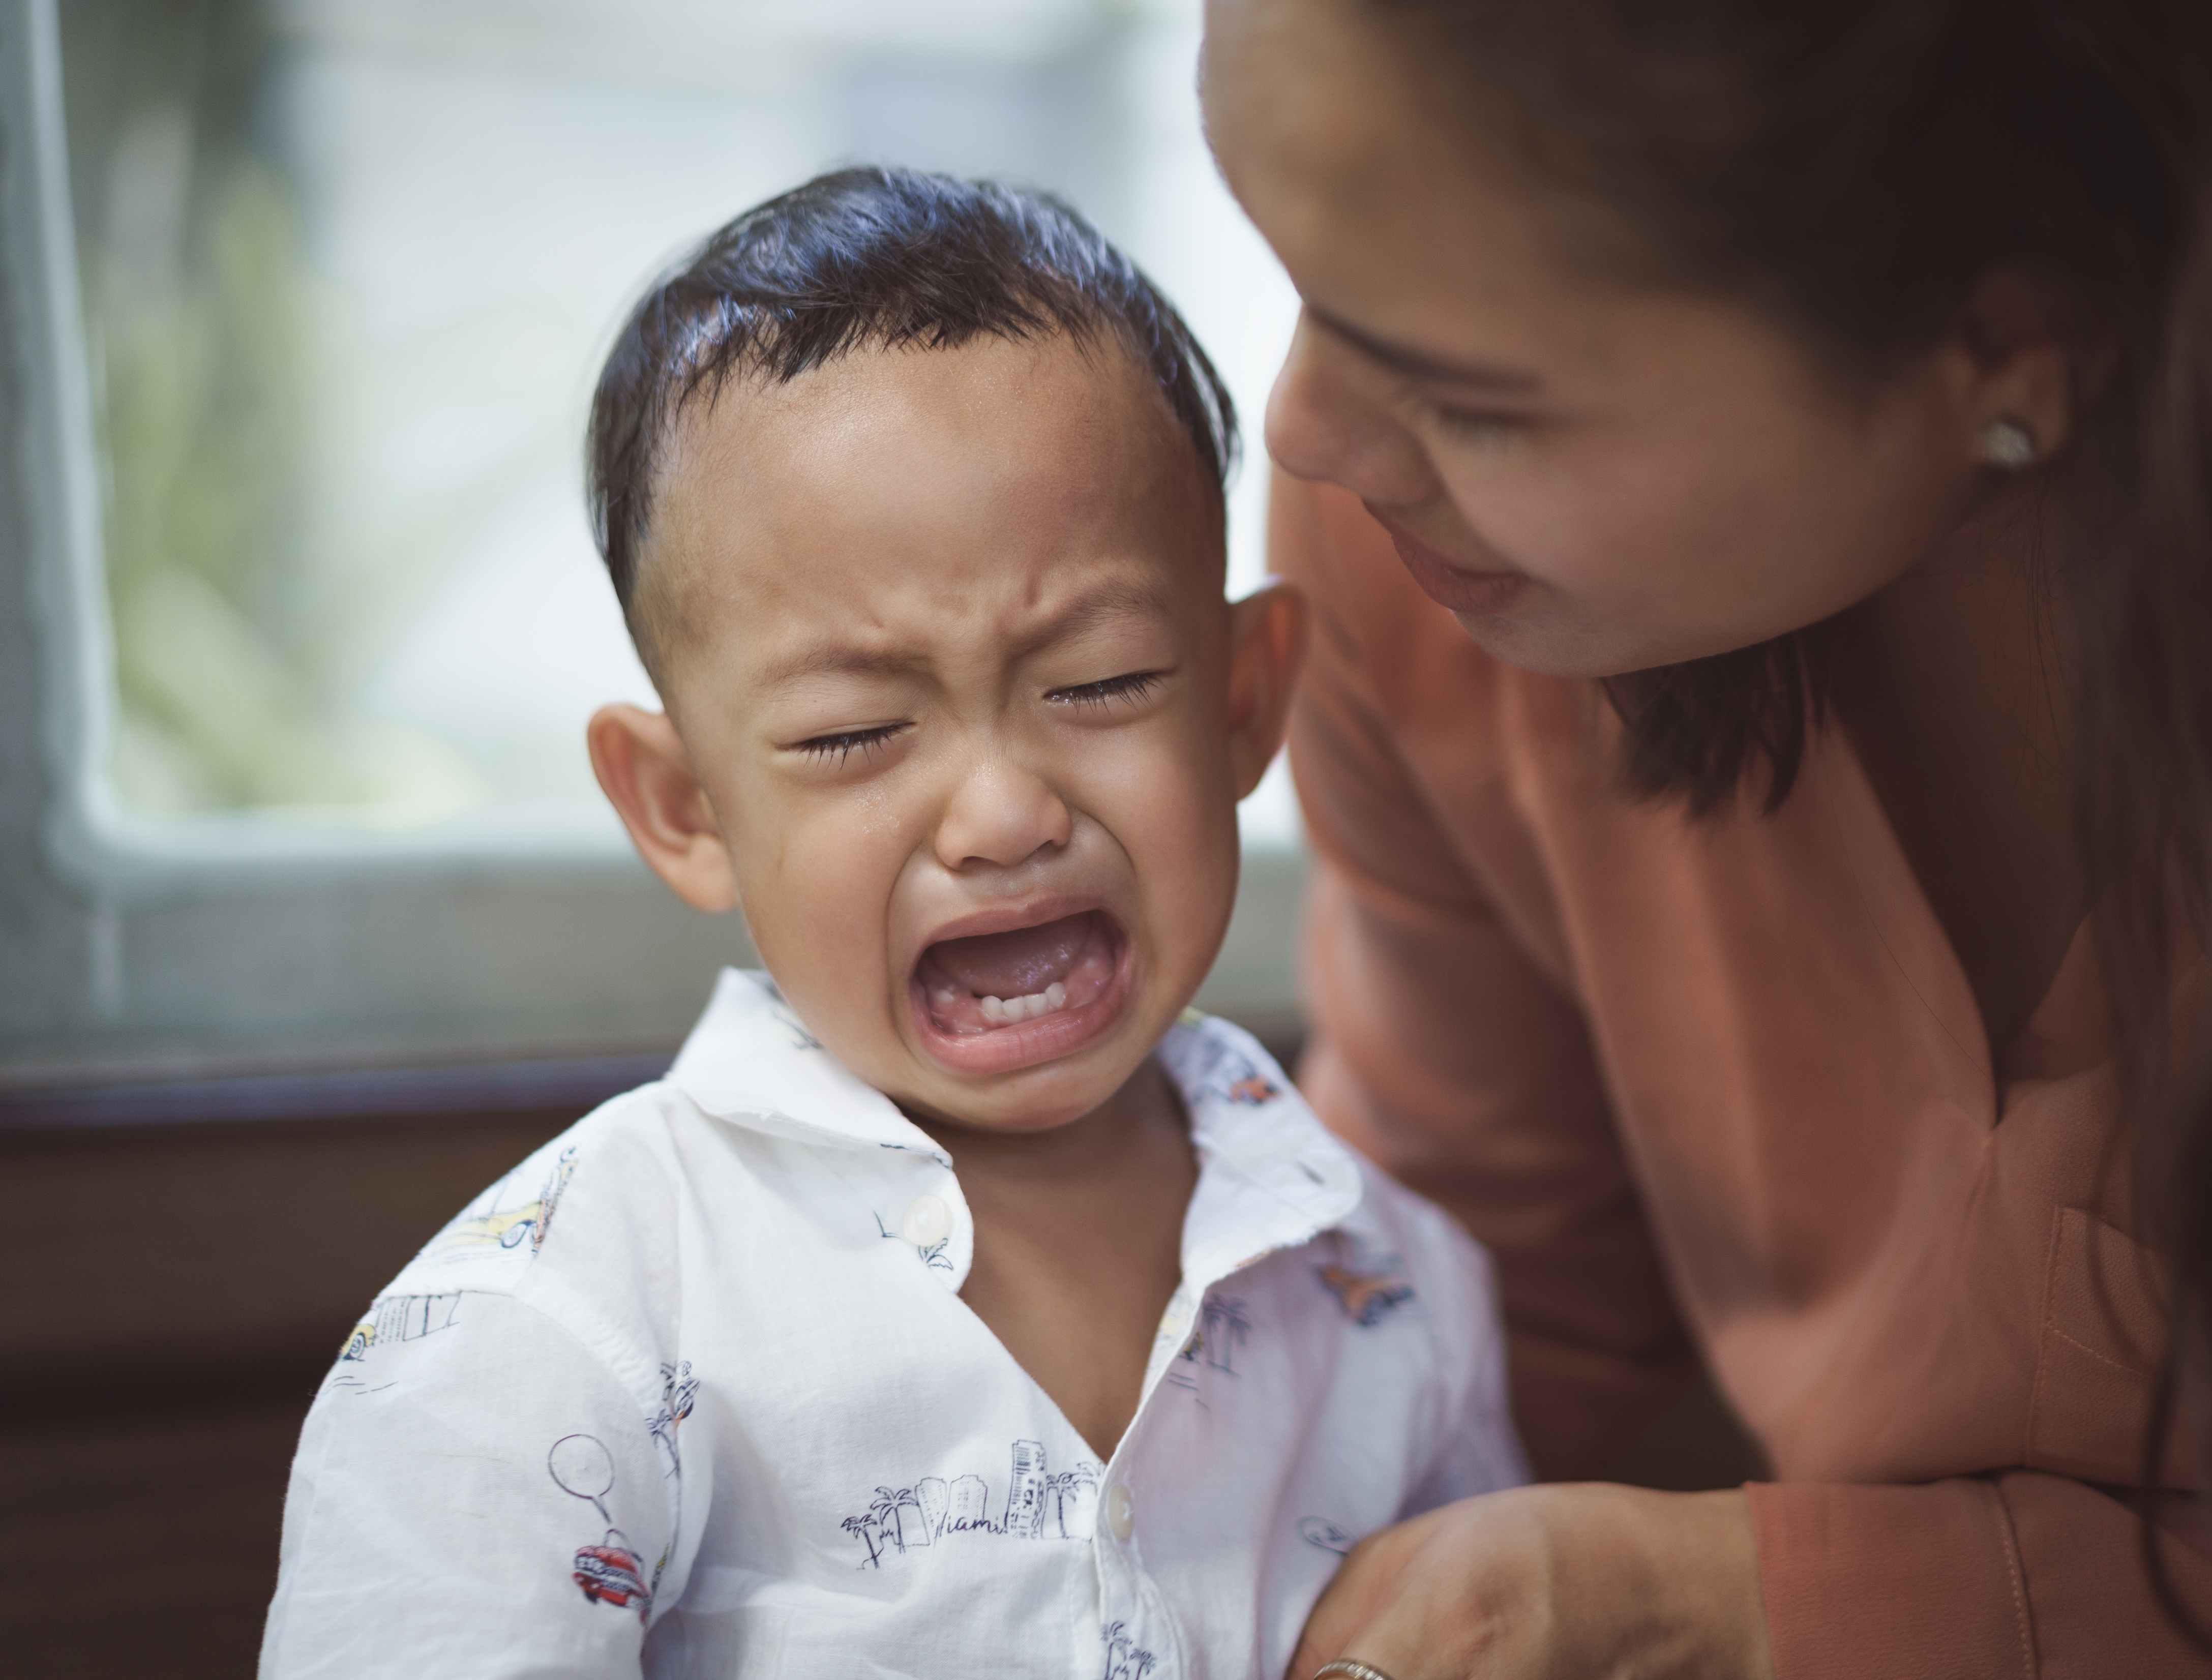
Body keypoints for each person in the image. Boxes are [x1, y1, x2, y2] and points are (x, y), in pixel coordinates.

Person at [1199, 1, 2212, 1676]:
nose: (1308, 429)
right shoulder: (1422, 578)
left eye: (1476, 395)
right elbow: (1472, 1295)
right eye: (1303, 276)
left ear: (2015, 334)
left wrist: (1773, 1611)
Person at [256, 169, 1523, 1679]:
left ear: (1244, 704)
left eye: (1101, 683)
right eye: (855, 731)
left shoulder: (1394, 1290)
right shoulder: (554, 1331)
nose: (999, 813)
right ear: (685, 808)